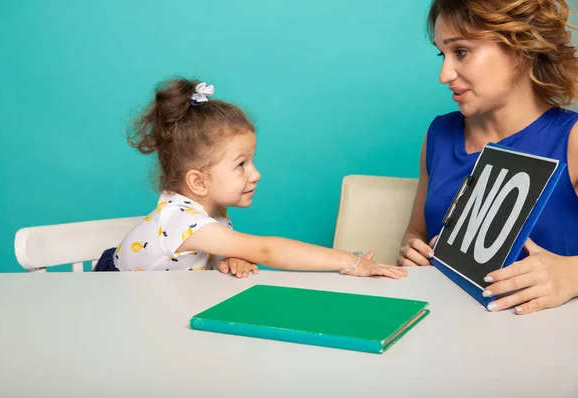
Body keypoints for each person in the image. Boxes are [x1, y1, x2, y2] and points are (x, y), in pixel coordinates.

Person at [95, 78, 408, 281]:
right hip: (111, 300)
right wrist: (348, 260)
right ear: (199, 182)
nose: (255, 173)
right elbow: (267, 250)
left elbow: (198, 261)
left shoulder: (207, 213)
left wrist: (227, 257)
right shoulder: (182, 220)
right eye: (241, 165)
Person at [400, 0, 578, 314]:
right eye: (443, 54)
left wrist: (571, 275)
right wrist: (410, 249)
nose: (445, 74)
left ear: (519, 46)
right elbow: (417, 233)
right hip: (445, 328)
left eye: (462, 52)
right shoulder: (439, 135)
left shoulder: (571, 139)